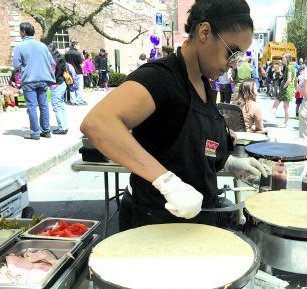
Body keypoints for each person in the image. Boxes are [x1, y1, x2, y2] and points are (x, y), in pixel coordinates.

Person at [80, 0, 266, 230]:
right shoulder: (161, 78)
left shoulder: (204, 84)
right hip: (156, 225)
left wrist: (229, 163)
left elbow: (188, 147)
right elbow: (98, 123)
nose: (232, 65)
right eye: (232, 52)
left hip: (196, 223)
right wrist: (168, 183)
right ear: (204, 32)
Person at [12, 22, 55, 140]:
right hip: (43, 79)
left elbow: (16, 64)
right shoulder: (42, 45)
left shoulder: (19, 46)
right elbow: (52, 62)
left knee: (31, 106)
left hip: (29, 80)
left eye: (20, 31)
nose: (19, 33)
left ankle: (35, 132)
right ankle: (46, 131)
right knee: (44, 105)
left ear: (24, 32)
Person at [268, 52, 295, 127]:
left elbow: (289, 79)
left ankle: (285, 122)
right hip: (286, 88)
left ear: (287, 58)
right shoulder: (289, 66)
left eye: (283, 58)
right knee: (279, 103)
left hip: (286, 88)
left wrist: (283, 87)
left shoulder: (289, 67)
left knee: (285, 106)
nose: (282, 59)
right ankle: (269, 116)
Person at [47, 44, 69, 134]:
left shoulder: (52, 61)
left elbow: (51, 75)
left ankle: (62, 128)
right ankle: (64, 126)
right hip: (62, 83)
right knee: (61, 106)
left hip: (56, 85)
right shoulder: (61, 59)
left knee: (56, 106)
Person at [65, 40, 86, 105]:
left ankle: (73, 100)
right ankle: (79, 100)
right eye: (78, 45)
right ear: (75, 45)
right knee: (79, 87)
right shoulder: (77, 53)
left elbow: (66, 63)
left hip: (70, 73)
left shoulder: (67, 53)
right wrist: (83, 70)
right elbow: (80, 64)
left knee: (72, 86)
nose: (79, 46)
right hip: (78, 72)